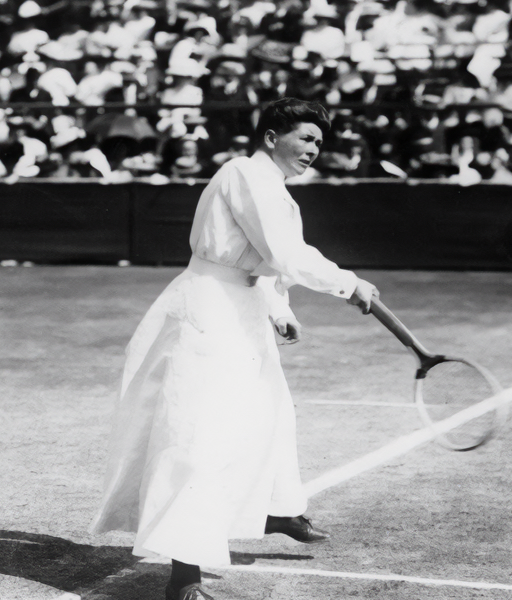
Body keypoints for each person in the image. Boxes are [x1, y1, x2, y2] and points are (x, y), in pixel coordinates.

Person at [89, 98, 378, 600]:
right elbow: (284, 253)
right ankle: (184, 579)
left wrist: (276, 307)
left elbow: (260, 263)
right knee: (199, 439)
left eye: (319, 143)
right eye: (307, 139)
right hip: (206, 311)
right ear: (272, 138)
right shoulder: (245, 174)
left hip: (239, 307)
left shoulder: (273, 187)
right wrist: (348, 283)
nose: (315, 150)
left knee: (271, 412)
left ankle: (277, 507)